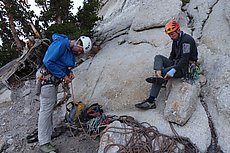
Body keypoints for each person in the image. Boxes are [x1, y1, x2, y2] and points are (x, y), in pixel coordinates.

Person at [37, 33, 92, 153]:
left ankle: (49, 133)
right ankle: (44, 142)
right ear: (78, 42)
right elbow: (48, 61)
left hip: (51, 80)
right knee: (46, 108)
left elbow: (58, 63)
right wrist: (63, 75)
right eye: (80, 51)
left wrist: (67, 72)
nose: (79, 54)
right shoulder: (61, 44)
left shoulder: (66, 48)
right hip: (47, 78)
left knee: (49, 106)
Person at [135, 20, 198, 110]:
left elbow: (185, 59)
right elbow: (172, 56)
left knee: (164, 73)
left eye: (172, 34)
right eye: (169, 35)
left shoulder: (186, 40)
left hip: (186, 67)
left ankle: (151, 102)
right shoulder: (176, 40)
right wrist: (165, 67)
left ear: (178, 30)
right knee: (158, 57)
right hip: (177, 64)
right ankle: (159, 74)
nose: (171, 36)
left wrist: (172, 70)